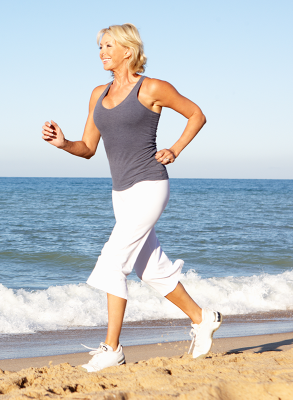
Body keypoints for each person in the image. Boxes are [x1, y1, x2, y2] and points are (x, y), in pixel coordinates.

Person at [42, 23, 222, 372]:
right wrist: (63, 144)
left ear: (128, 50)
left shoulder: (152, 87)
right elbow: (88, 148)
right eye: (99, 47)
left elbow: (196, 114)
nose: (102, 52)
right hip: (120, 192)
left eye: (108, 46)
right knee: (150, 269)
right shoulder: (99, 94)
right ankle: (203, 318)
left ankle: (112, 348)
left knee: (112, 263)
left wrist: (176, 149)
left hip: (150, 185)